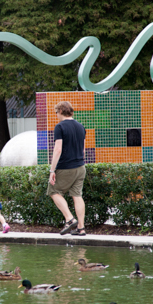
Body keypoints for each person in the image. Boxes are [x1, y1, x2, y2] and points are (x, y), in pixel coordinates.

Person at [47, 101, 87, 236]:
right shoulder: (81, 126)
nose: (56, 115)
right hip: (80, 167)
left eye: (56, 113)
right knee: (77, 195)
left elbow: (58, 149)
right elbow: (83, 149)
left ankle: (70, 219)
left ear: (60, 112)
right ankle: (81, 228)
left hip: (66, 167)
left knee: (53, 190)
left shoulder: (60, 127)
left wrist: (52, 170)